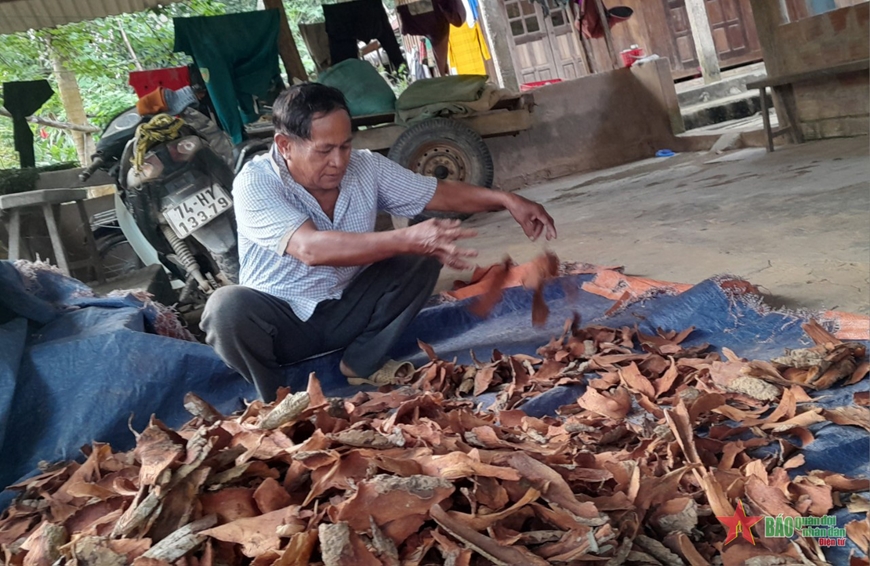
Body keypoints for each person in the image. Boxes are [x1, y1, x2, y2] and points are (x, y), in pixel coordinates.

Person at [201, 83, 556, 401]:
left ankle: (360, 362)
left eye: (345, 146)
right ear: (285, 145)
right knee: (225, 308)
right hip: (281, 325)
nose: (339, 161)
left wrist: (507, 199)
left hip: (348, 312)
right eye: (324, 151)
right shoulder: (256, 182)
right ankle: (279, 400)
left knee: (424, 251)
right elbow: (310, 248)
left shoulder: (365, 167)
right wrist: (405, 237)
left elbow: (439, 194)